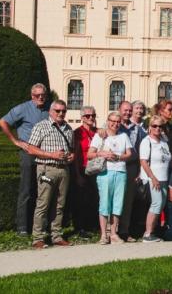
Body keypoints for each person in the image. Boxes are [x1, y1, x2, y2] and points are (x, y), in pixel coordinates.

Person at [0, 83, 51, 236]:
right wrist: (15, 141)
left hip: (44, 154)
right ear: (31, 95)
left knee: (44, 190)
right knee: (26, 190)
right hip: (28, 154)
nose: (40, 97)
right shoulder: (23, 108)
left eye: (43, 95)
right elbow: (2, 122)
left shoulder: (49, 108)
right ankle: (22, 227)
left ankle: (41, 226)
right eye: (37, 95)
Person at [26, 99, 74, 248]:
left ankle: (56, 236)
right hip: (47, 168)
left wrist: (72, 156)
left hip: (63, 170)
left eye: (63, 111)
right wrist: (52, 155)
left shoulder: (68, 128)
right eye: (57, 111)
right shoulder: (41, 127)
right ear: (50, 112)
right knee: (43, 204)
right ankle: (38, 238)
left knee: (60, 205)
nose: (61, 113)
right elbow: (31, 149)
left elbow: (71, 149)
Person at [88, 111, 133, 245]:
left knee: (117, 204)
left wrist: (118, 157)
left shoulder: (124, 136)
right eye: (112, 121)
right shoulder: (100, 135)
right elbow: (90, 154)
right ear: (107, 121)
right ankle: (103, 235)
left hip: (120, 171)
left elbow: (129, 154)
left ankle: (114, 233)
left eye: (118, 122)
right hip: (105, 172)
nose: (115, 124)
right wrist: (102, 154)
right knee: (104, 203)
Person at [139, 115, 172, 242]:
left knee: (161, 204)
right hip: (153, 178)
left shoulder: (164, 140)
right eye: (155, 126)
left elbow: (167, 158)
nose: (158, 128)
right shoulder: (146, 141)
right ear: (149, 127)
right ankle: (147, 234)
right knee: (156, 203)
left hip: (164, 177)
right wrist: (152, 177)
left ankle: (153, 231)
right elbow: (143, 161)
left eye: (160, 126)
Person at [118, 100, 147, 242]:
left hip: (131, 167)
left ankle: (124, 230)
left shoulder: (137, 129)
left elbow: (142, 150)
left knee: (128, 201)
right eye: (125, 110)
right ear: (119, 110)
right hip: (116, 166)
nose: (128, 113)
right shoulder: (113, 125)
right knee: (115, 199)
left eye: (130, 110)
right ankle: (112, 231)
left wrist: (139, 171)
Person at [72, 106, 99, 236]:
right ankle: (80, 227)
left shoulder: (98, 132)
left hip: (96, 169)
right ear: (82, 118)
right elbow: (76, 155)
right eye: (88, 116)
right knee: (81, 199)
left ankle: (92, 225)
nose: (91, 118)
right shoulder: (78, 133)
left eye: (93, 115)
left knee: (94, 198)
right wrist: (77, 174)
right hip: (82, 168)